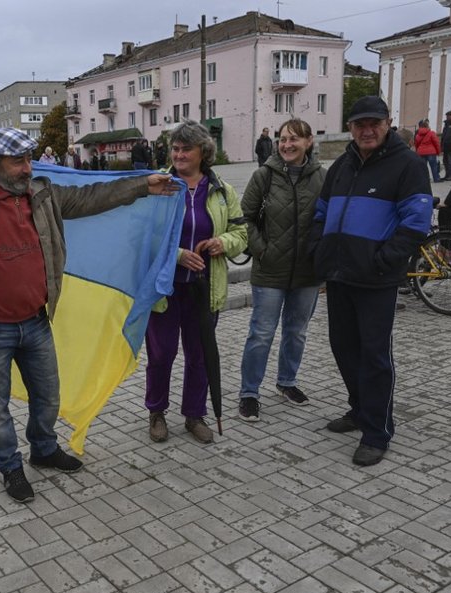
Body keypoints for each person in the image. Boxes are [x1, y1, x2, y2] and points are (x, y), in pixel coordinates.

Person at [0, 122, 179, 502]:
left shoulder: (43, 194)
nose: (28, 168)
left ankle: (43, 449)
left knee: (48, 397)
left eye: (29, 159)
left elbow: (93, 196)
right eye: (18, 161)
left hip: (35, 321)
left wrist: (143, 186)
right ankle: (10, 466)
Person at [310, 96, 432, 467]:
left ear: (388, 122)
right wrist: (320, 250)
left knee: (374, 356)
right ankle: (360, 409)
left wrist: (384, 261)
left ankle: (377, 431)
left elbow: (416, 222)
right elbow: (321, 211)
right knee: (343, 349)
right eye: (359, 124)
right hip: (340, 275)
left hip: (376, 280)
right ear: (350, 127)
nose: (366, 130)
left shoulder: (407, 164)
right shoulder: (341, 166)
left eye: (373, 123)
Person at [145, 120, 247, 444]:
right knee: (161, 355)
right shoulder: (160, 186)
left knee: (200, 354)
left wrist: (223, 243)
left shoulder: (221, 190)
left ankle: (194, 414)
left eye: (185, 148)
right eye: (175, 148)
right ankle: (156, 411)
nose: (178, 154)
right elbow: (144, 237)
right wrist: (177, 255)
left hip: (204, 288)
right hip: (166, 289)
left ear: (203, 151)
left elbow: (242, 233)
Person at [238, 119, 325, 422]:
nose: (287, 145)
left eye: (294, 139)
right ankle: (249, 392)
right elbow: (243, 218)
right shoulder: (263, 176)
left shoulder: (322, 178)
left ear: (309, 142)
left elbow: (327, 221)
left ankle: (287, 382)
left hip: (307, 273)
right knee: (261, 334)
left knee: (297, 332)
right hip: (269, 270)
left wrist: (322, 259)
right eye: (282, 139)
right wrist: (262, 249)